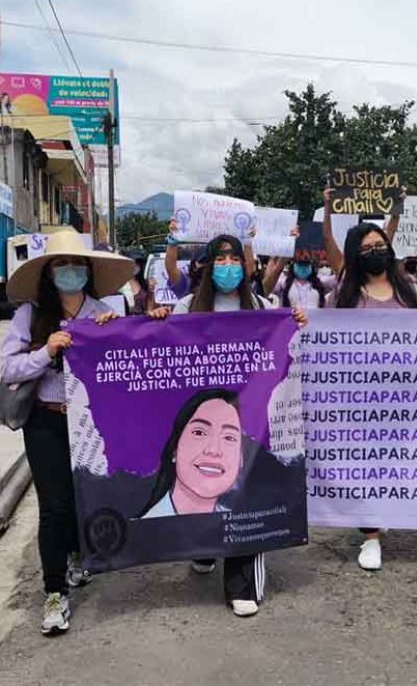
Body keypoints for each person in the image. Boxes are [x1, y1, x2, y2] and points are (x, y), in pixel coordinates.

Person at [148, 233, 307, 617]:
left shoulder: (265, 306)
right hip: (201, 411)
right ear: (207, 264)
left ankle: (243, 582)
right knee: (201, 484)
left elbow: (286, 351)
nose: (228, 265)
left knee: (245, 492)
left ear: (245, 264)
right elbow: (164, 345)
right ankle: (203, 549)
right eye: (220, 258)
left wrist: (297, 322)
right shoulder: (188, 306)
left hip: (249, 418)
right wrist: (158, 321)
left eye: (234, 258)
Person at [0, 231, 132, 636]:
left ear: (88, 270)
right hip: (46, 421)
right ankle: (54, 591)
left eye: (76, 264)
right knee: (53, 506)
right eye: (61, 264)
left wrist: (114, 334)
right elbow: (10, 369)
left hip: (90, 423)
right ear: (49, 272)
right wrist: (46, 351)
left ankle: (77, 554)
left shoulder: (104, 311)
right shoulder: (31, 314)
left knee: (84, 495)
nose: (70, 271)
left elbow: (127, 364)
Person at [321, 188, 417, 571]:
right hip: (358, 398)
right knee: (364, 464)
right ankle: (370, 536)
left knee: (392, 462)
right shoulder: (343, 297)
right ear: (354, 255)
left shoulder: (410, 291)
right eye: (366, 248)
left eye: (380, 244)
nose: (375, 251)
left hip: (404, 398)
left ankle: (382, 513)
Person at [139, 389, 246, 518]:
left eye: (229, 438)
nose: (213, 450)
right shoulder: (141, 531)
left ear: (241, 458)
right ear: (175, 449)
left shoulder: (240, 527)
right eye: (199, 433)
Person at [265, 255, 335, 309]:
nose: (303, 267)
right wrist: (275, 258)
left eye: (306, 264)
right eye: (300, 264)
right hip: (291, 325)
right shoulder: (283, 283)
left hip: (315, 325)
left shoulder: (321, 283)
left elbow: (340, 278)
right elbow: (266, 286)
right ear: (293, 265)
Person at [119, 251, 153, 315]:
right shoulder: (120, 284)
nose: (135, 266)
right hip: (125, 321)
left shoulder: (144, 283)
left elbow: (150, 308)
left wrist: (151, 292)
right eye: (132, 263)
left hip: (142, 321)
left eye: (137, 263)